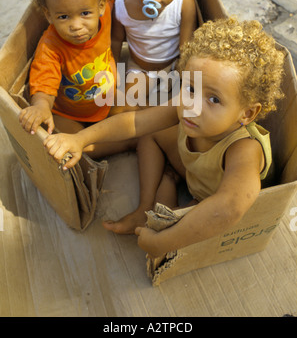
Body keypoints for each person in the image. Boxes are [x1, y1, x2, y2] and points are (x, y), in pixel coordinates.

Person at [43, 18, 285, 258]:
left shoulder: (244, 150)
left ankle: (168, 191)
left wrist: (165, 242)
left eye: (214, 100)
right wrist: (80, 139)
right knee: (150, 130)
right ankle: (146, 205)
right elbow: (135, 122)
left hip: (210, 202)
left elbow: (230, 206)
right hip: (194, 173)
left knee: (176, 225)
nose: (192, 106)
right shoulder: (188, 108)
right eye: (190, 88)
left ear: (247, 113)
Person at [19, 0, 117, 137]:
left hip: (107, 99)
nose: (76, 25)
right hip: (68, 113)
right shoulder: (50, 47)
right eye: (63, 17)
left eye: (85, 14)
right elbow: (44, 84)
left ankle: (120, 141)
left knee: (135, 114)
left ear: (101, 6)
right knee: (66, 141)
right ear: (49, 15)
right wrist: (40, 106)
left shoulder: (105, 15)